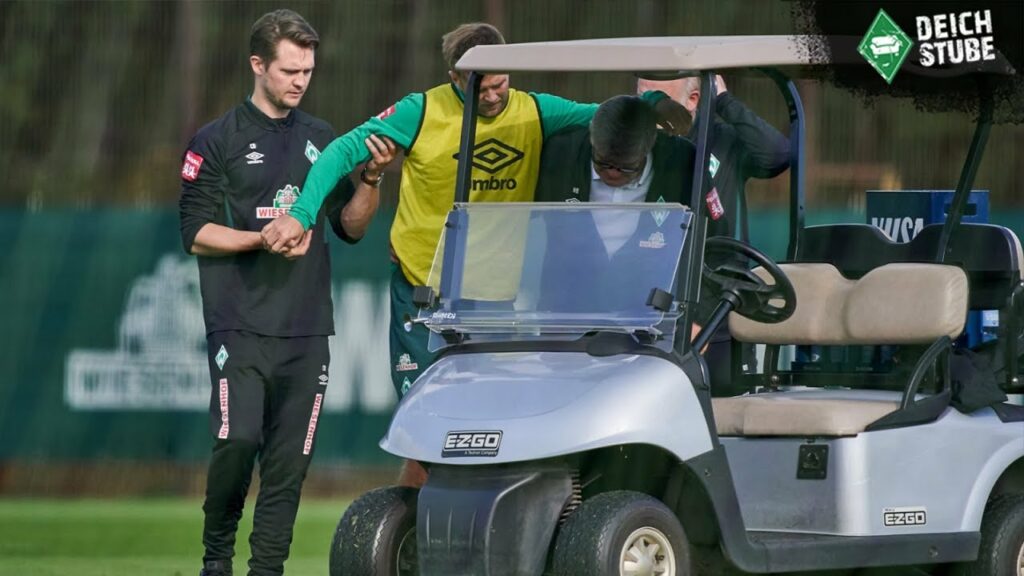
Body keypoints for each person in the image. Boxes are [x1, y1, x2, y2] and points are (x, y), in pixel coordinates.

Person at [259, 23, 687, 486]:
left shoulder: (533, 111)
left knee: (489, 434)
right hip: (424, 295)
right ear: (455, 77)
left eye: (501, 83)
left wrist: (650, 104)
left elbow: (602, 115)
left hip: (493, 304)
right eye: (481, 87)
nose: (493, 95)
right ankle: (409, 525)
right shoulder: (420, 112)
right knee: (425, 430)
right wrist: (301, 215)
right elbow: (340, 151)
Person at [177, 10, 395, 576]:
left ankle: (266, 569)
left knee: (288, 464)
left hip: (306, 328)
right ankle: (216, 559)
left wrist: (371, 179)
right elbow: (194, 233)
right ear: (258, 65)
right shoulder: (217, 139)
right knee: (237, 440)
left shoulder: (323, 139)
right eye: (289, 70)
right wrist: (264, 238)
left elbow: (350, 227)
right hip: (239, 322)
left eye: (308, 71)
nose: (300, 81)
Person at [638, 75, 790, 395]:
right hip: (646, 309)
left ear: (693, 100)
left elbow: (776, 155)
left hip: (716, 310)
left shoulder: (722, 140)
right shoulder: (633, 145)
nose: (649, 108)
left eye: (659, 99)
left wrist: (723, 101)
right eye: (642, 98)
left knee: (717, 404)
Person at [535, 95, 695, 313]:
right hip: (566, 310)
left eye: (626, 167)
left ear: (649, 147)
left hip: (647, 313)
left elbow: (709, 242)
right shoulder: (561, 152)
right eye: (602, 162)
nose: (612, 173)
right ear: (592, 139)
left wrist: (698, 316)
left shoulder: (681, 162)